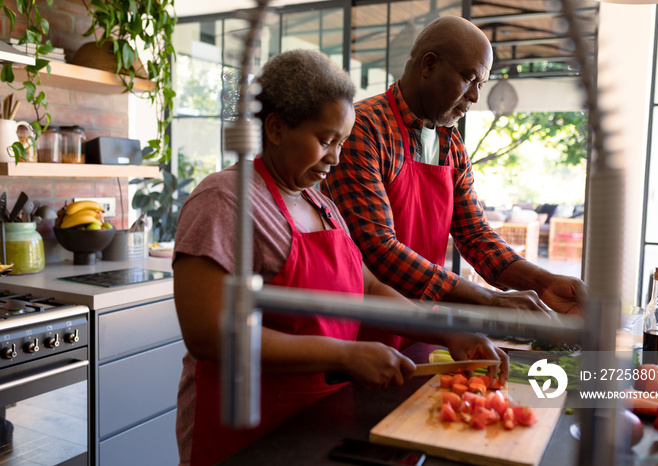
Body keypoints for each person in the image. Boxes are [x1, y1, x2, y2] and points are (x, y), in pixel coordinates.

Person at [172, 49, 508, 466]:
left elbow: (367, 287)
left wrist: (448, 332)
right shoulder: (225, 200)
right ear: (275, 128)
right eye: (325, 140)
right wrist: (345, 354)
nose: (335, 157)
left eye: (342, 142)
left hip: (318, 423)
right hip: (246, 433)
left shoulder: (320, 203)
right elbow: (210, 334)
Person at [323, 16, 587, 351]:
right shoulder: (364, 129)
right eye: (468, 78)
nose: (476, 96)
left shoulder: (451, 146)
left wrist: (544, 283)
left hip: (427, 329)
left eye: (481, 84)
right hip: (362, 335)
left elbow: (474, 234)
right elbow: (378, 250)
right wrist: (490, 301)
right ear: (429, 65)